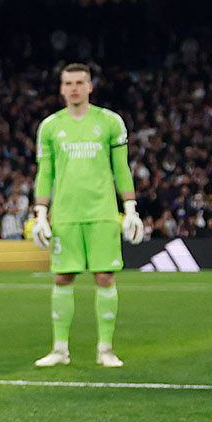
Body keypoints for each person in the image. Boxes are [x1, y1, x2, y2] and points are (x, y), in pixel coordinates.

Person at [27, 63, 143, 368]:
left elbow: (122, 168)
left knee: (105, 276)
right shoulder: (50, 126)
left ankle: (105, 349)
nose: (75, 88)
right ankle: (60, 350)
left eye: (80, 82)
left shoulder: (110, 122)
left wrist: (130, 208)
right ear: (61, 88)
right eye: (69, 83)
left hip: (103, 212)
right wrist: (41, 213)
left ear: (90, 86)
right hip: (65, 214)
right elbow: (45, 172)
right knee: (62, 277)